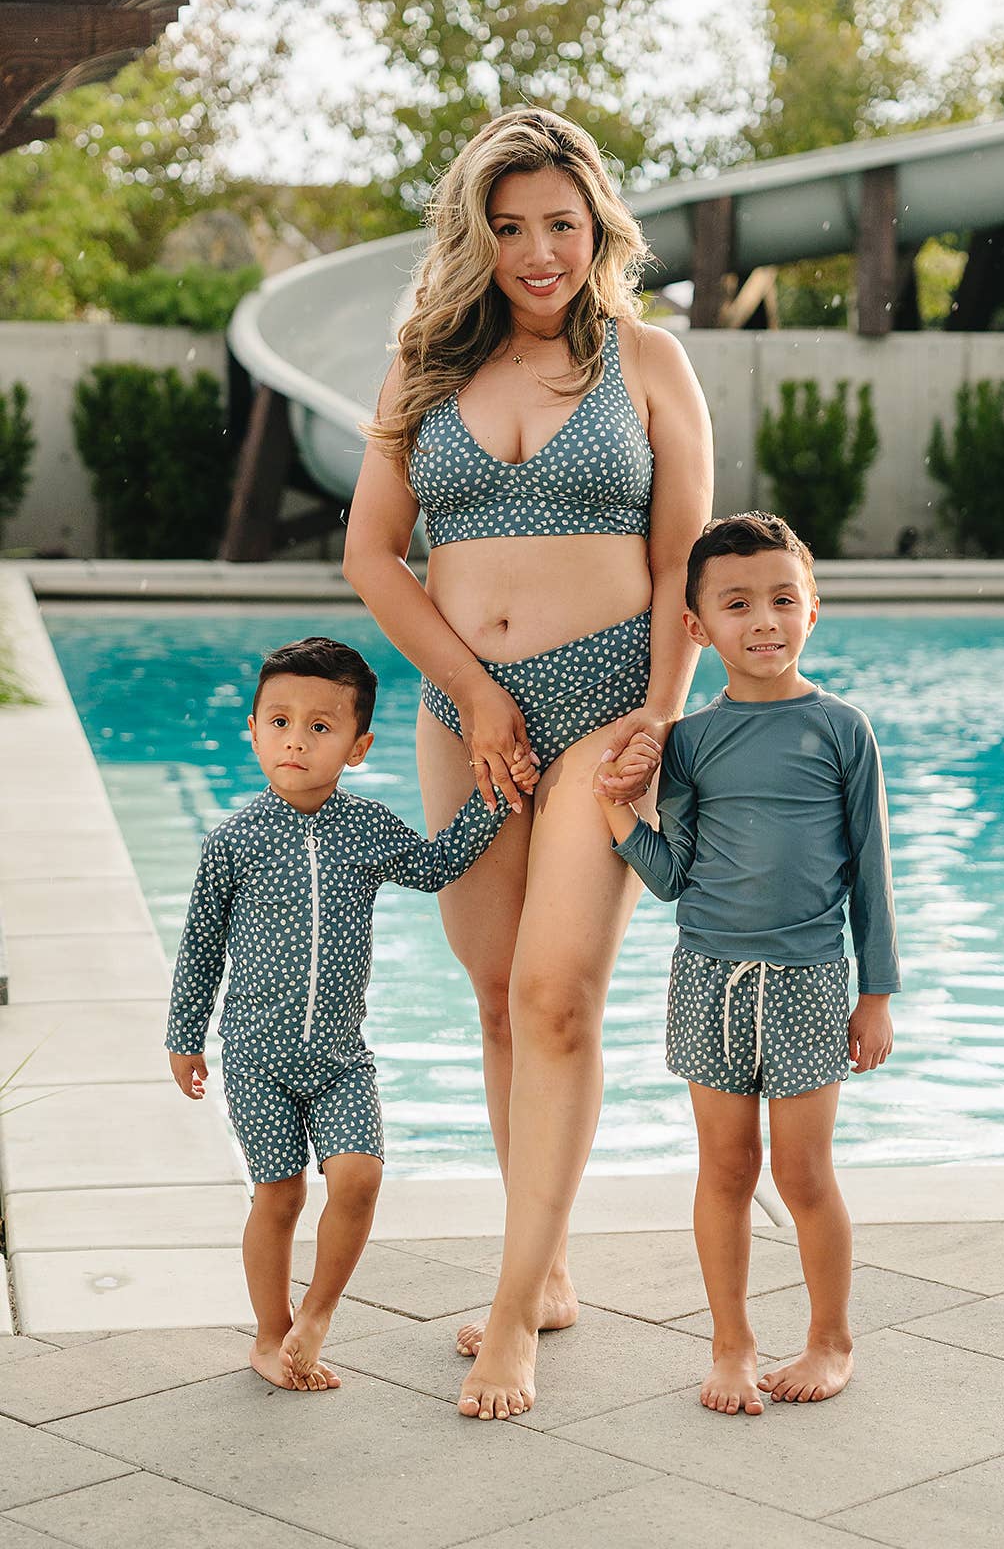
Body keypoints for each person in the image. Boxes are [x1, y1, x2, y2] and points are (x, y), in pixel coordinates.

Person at [343, 106, 713, 1420]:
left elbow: (684, 561)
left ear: (595, 227)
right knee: (497, 997)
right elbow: (373, 555)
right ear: (475, 238)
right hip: (467, 717)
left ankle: (512, 1318)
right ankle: (538, 1260)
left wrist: (657, 718)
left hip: (607, 708)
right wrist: (469, 694)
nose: (537, 251)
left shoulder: (649, 362)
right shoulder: (422, 368)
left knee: (558, 999)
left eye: (559, 224)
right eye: (508, 228)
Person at [594, 512, 899, 1414]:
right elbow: (671, 877)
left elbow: (871, 871)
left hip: (808, 982)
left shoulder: (842, 729)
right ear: (698, 628)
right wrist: (618, 812)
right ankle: (729, 1346)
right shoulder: (688, 743)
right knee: (724, 1170)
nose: (762, 620)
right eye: (737, 604)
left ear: (813, 609)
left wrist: (875, 991)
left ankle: (829, 1338)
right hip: (705, 981)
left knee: (803, 1177)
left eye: (780, 599)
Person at [166, 636, 522, 1393]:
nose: (296, 738)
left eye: (320, 727)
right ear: (254, 731)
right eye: (279, 721)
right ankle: (269, 1333)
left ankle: (317, 1314)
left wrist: (495, 795)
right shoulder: (233, 841)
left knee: (358, 1176)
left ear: (357, 746)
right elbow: (200, 947)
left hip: (338, 1057)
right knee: (281, 1193)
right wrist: (184, 1038)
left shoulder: (364, 828)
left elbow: (433, 868)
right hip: (256, 1056)